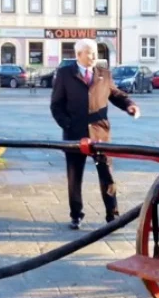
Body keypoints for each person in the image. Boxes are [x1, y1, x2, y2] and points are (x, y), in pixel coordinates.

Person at [50, 39, 139, 229]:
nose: (94, 56)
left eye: (95, 52)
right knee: (75, 177)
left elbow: (115, 94)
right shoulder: (66, 74)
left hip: (100, 134)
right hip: (75, 135)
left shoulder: (104, 74)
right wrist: (68, 125)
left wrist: (129, 105)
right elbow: (56, 105)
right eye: (89, 52)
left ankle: (112, 215)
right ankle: (76, 214)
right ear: (78, 55)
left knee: (107, 175)